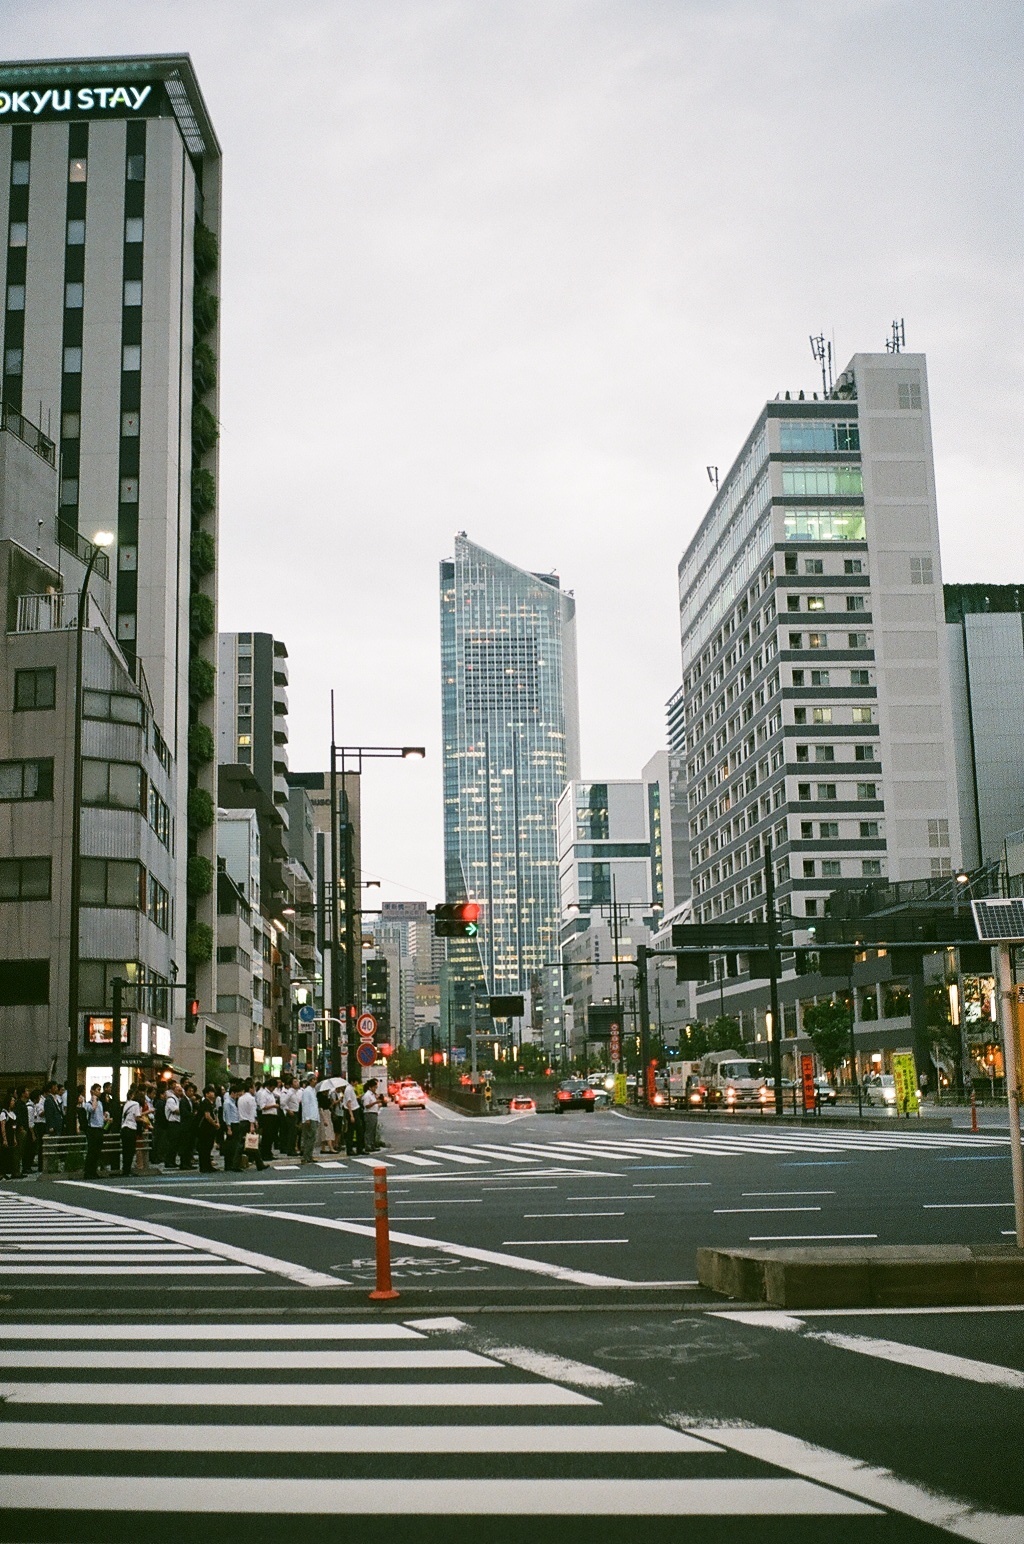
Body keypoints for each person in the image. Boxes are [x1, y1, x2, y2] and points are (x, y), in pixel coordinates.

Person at [236, 1080, 267, 1171]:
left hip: (241, 1121)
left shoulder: (240, 1098)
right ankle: (236, 1164)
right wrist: (252, 1124)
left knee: (249, 1143)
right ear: (250, 1088)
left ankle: (259, 1163)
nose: (255, 1090)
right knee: (246, 1144)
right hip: (248, 1122)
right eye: (253, 1088)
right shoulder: (251, 1099)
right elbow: (252, 1113)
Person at [82, 1084, 106, 1180]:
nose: (99, 1092)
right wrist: (94, 1098)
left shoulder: (100, 1103)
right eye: (98, 1090)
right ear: (92, 1091)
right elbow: (92, 1109)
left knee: (97, 1151)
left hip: (100, 1128)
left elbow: (100, 1116)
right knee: (91, 1151)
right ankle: (88, 1172)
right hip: (92, 1129)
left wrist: (106, 1118)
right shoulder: (88, 1103)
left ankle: (94, 1171)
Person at [120, 1084, 143, 1177]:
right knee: (130, 1151)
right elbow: (137, 1117)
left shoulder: (126, 1103)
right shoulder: (136, 1104)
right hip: (131, 1128)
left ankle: (125, 1169)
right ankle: (127, 1170)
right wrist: (144, 1120)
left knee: (125, 1150)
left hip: (124, 1128)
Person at [196, 1086, 220, 1172]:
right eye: (211, 1092)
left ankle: (208, 1165)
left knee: (208, 1147)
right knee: (204, 1147)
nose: (213, 1094)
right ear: (207, 1094)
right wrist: (215, 1124)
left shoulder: (211, 1103)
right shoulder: (205, 1102)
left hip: (209, 1128)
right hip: (205, 1128)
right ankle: (204, 1166)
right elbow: (207, 1116)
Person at [299, 1075, 320, 1165]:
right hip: (309, 1117)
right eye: (314, 1080)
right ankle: (306, 1156)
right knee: (309, 1137)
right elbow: (306, 1105)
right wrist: (307, 1118)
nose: (315, 1081)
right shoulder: (307, 1091)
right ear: (310, 1081)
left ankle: (309, 1155)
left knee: (312, 1138)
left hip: (314, 1116)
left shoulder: (313, 1091)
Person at [221, 1083, 243, 1172]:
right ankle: (230, 1164)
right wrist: (229, 1128)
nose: (237, 1096)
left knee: (234, 1146)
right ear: (233, 1093)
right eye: (237, 1094)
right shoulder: (227, 1102)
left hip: (236, 1124)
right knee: (231, 1146)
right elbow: (227, 1116)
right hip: (231, 1125)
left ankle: (232, 1164)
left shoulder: (233, 1102)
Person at [361, 1079, 383, 1152]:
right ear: (370, 1087)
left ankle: (372, 1144)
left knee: (373, 1130)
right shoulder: (367, 1095)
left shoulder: (373, 1095)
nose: (375, 1089)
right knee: (369, 1130)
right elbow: (366, 1105)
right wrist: (375, 1102)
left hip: (374, 1113)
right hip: (369, 1113)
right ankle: (368, 1145)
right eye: (374, 1087)